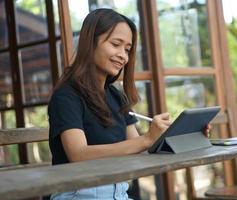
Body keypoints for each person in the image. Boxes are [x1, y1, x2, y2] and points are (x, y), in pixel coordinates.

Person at [48, 8, 210, 200]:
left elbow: (137, 147)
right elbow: (78, 154)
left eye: (127, 49)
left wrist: (183, 135)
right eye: (116, 44)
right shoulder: (66, 95)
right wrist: (146, 139)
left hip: (119, 194)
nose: (123, 56)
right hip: (79, 195)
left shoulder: (116, 96)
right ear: (90, 43)